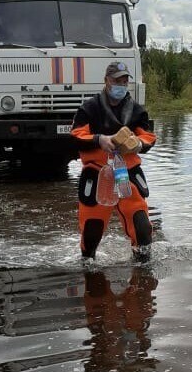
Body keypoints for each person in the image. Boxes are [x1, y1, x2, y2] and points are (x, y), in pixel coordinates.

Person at [71, 61, 157, 261]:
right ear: (106, 81)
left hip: (128, 172)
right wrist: (99, 139)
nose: (121, 84)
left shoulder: (136, 110)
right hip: (97, 173)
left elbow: (149, 136)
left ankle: (143, 272)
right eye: (117, 80)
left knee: (142, 227)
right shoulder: (89, 108)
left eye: (125, 80)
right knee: (91, 231)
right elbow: (76, 135)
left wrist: (138, 144)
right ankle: (88, 265)